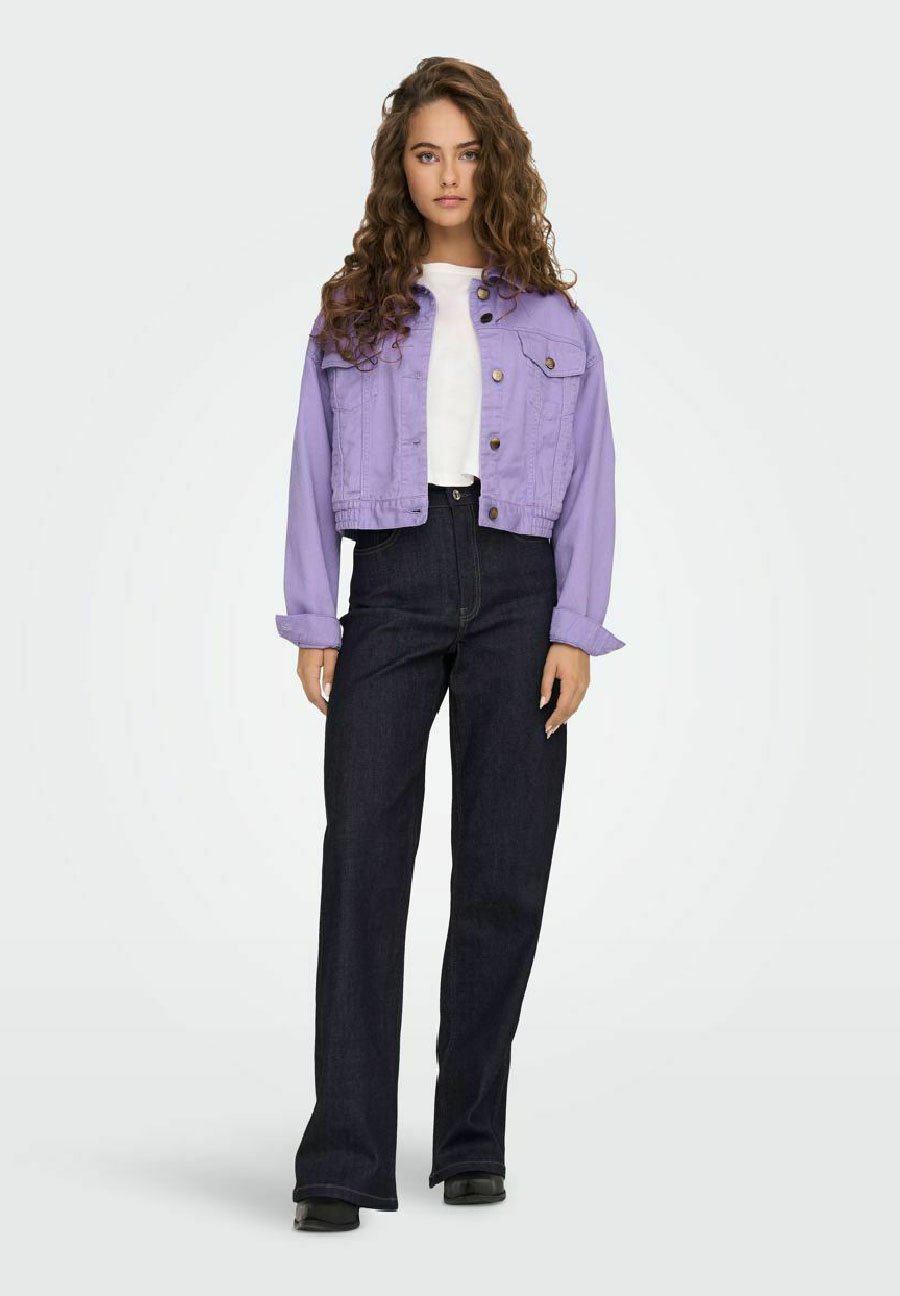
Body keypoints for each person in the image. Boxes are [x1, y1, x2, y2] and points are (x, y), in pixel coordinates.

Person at [276, 57, 625, 1233]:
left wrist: (575, 629)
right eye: (427, 154)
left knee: (503, 873)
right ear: (400, 169)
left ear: (499, 165)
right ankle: (340, 1159)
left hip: (522, 592)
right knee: (362, 870)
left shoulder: (554, 318)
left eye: (468, 154)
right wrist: (314, 618)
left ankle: (472, 1137)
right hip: (392, 583)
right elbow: (309, 467)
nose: (449, 175)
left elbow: (593, 483)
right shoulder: (353, 309)